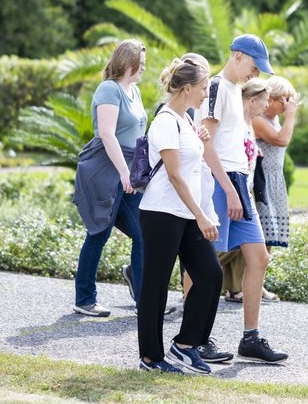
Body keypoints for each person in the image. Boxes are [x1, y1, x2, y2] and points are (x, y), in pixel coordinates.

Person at [196, 34, 287, 363]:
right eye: (253, 65)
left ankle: (250, 338)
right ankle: (195, 337)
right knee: (205, 262)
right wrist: (230, 188)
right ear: (236, 56)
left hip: (237, 183)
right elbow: (206, 144)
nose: (256, 73)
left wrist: (242, 186)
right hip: (220, 184)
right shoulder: (218, 87)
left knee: (259, 258)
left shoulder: (237, 90)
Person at [137, 57, 222, 374]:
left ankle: (186, 345)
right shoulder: (165, 122)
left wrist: (199, 142)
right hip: (161, 213)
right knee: (156, 286)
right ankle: (150, 358)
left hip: (186, 214)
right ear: (187, 88)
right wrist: (201, 215)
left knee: (211, 275)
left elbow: (193, 167)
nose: (205, 95)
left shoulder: (186, 121)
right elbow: (174, 176)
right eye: (202, 89)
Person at [71, 40, 147, 316]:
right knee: (99, 232)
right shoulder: (109, 89)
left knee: (143, 233)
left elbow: (137, 134)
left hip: (128, 171)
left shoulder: (134, 91)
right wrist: (124, 173)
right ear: (127, 63)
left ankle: (145, 299)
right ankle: (85, 299)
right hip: (105, 170)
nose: (144, 69)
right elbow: (107, 133)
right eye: (141, 63)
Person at [219, 78, 270, 302]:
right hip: (231, 189)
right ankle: (189, 286)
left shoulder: (249, 123)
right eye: (265, 100)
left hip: (245, 189)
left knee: (247, 249)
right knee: (215, 248)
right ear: (252, 100)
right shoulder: (236, 122)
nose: (267, 105)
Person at [252, 76, 300, 297]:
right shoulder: (258, 119)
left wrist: (286, 114)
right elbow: (281, 140)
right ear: (271, 99)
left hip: (274, 180)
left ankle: (258, 285)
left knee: (268, 236)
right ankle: (246, 285)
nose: (288, 105)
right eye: (285, 100)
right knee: (258, 236)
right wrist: (290, 115)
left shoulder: (274, 118)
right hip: (261, 180)